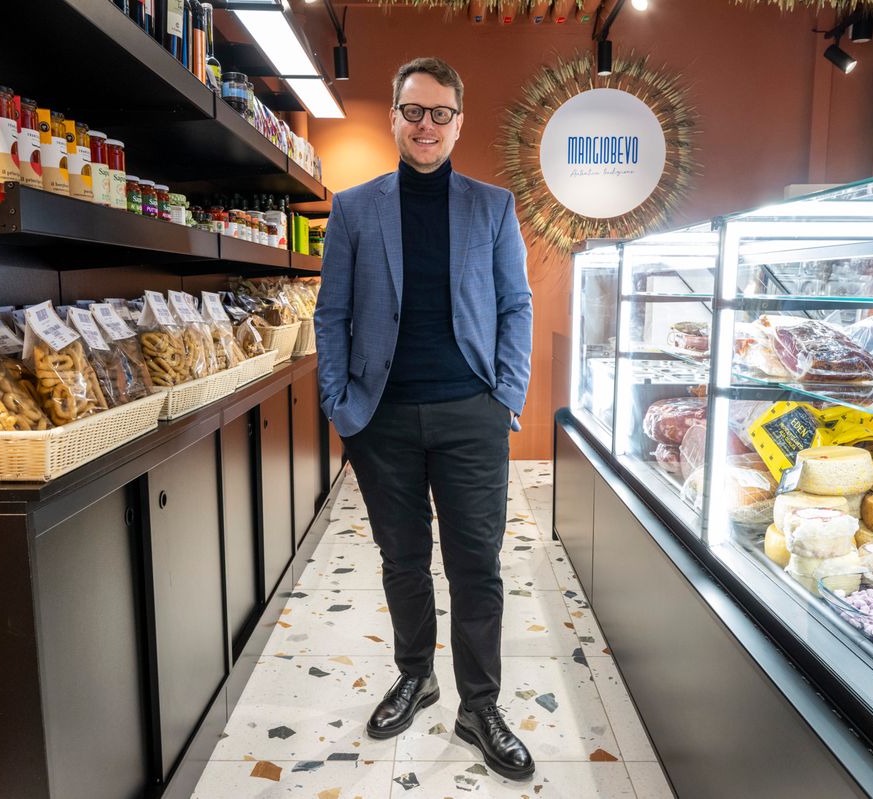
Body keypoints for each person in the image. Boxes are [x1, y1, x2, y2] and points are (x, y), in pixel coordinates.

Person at [313, 56, 534, 781]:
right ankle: (417, 674)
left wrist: (508, 392)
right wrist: (341, 408)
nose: (426, 125)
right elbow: (333, 313)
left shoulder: (492, 206)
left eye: (441, 113)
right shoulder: (353, 208)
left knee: (477, 564)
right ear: (395, 118)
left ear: (459, 122)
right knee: (402, 559)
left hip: (472, 412)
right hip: (383, 418)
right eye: (414, 111)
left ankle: (480, 704)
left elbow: (514, 306)